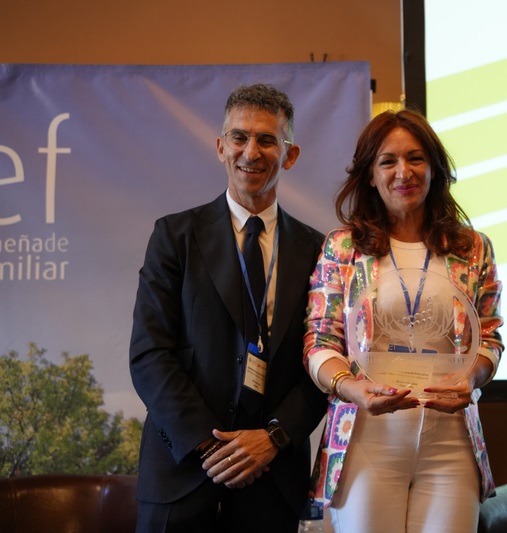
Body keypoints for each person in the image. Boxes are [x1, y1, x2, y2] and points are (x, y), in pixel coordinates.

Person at [129, 83, 328, 532]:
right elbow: (149, 355)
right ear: (221, 147)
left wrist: (272, 439)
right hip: (182, 473)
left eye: (267, 140)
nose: (250, 152)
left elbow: (322, 362)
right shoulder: (174, 237)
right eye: (239, 137)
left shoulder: (320, 252)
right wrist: (212, 446)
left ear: (290, 155)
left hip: (273, 478)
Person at [303, 108, 503, 533]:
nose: (403, 172)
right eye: (388, 161)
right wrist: (350, 388)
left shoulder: (471, 247)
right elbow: (320, 339)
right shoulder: (344, 248)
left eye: (415, 158)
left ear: (434, 168)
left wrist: (473, 378)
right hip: (367, 437)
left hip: (451, 440)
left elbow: (489, 337)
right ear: (370, 175)